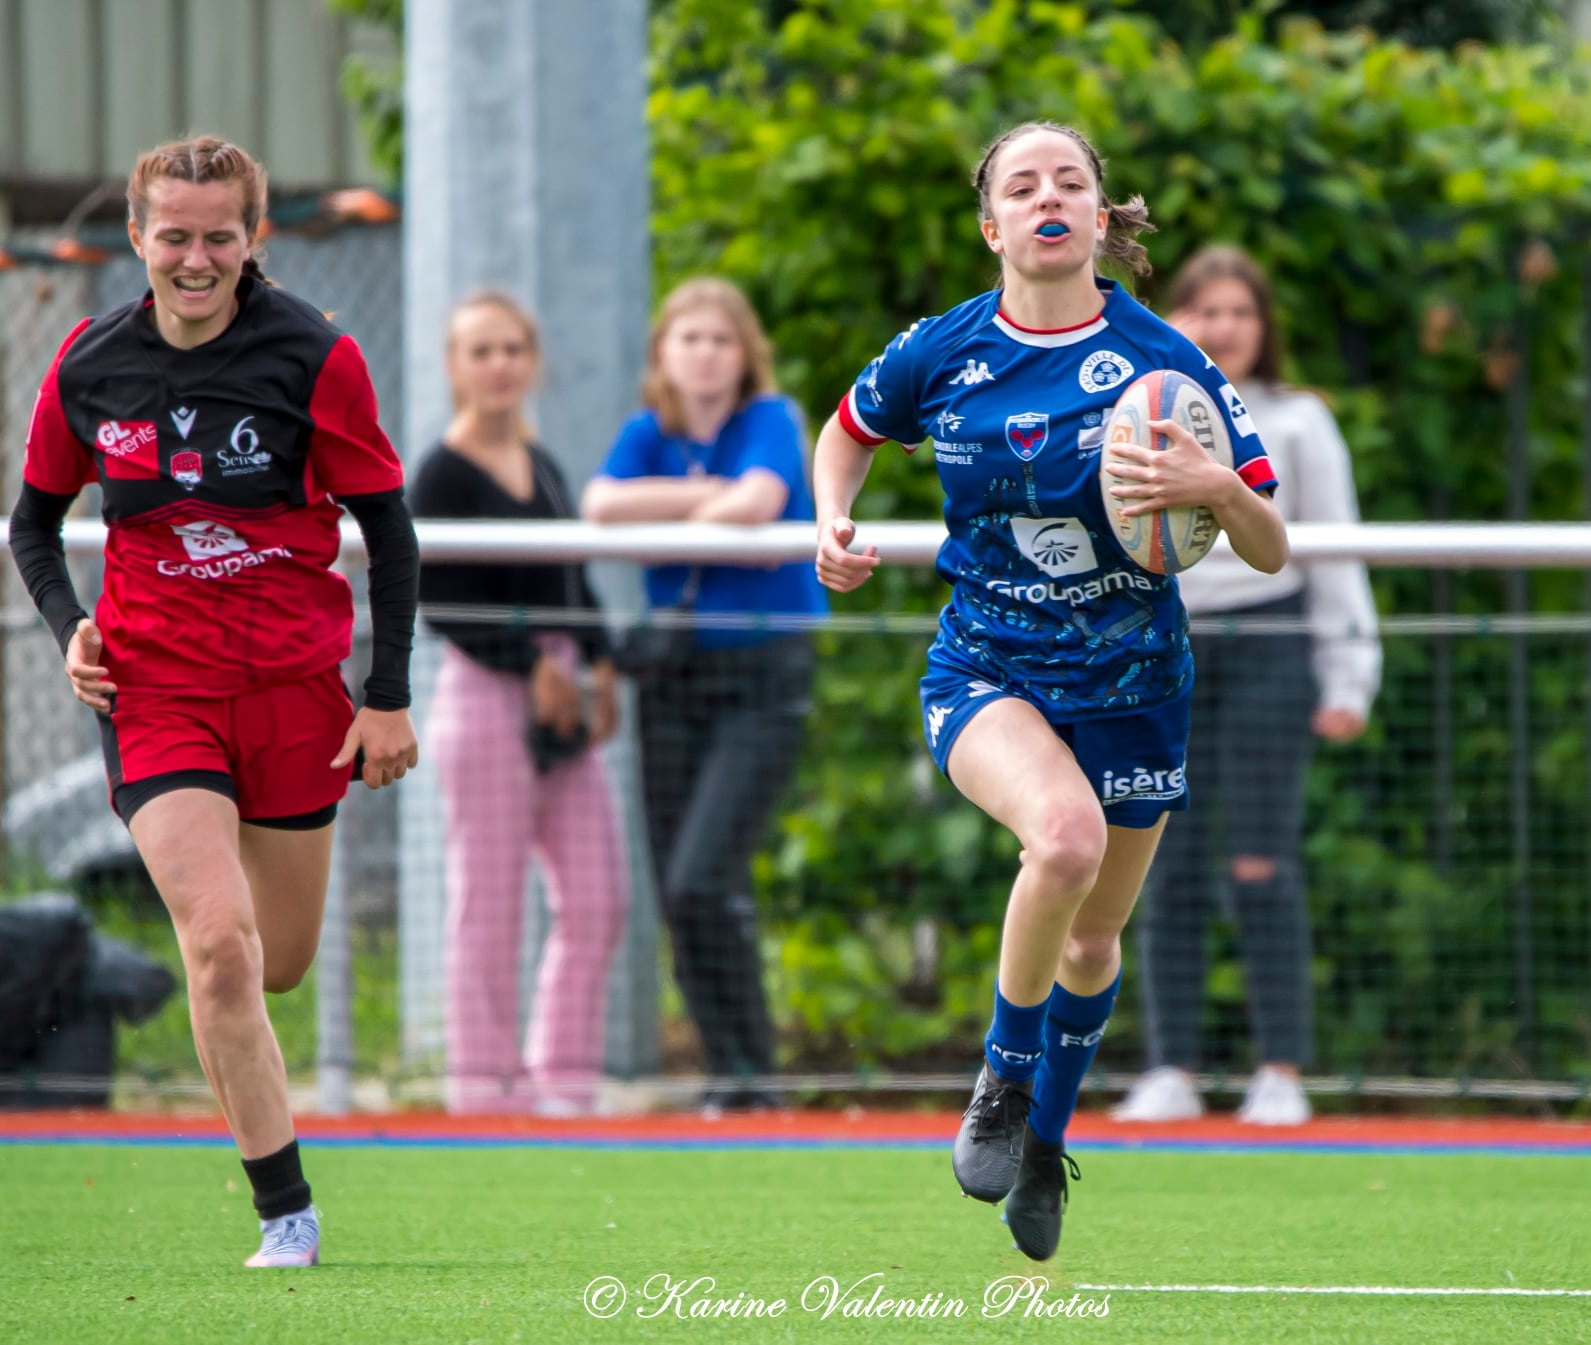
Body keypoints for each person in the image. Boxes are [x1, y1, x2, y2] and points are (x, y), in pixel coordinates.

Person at [813, 122, 1286, 1260]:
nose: (1047, 198)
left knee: (1094, 939)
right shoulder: (941, 349)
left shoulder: (1165, 362)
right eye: (1022, 186)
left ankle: (1042, 1142)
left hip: (1133, 683)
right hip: (989, 665)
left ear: (1097, 215)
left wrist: (1214, 484)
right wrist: (829, 518)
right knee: (1063, 840)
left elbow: (1269, 547)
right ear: (992, 227)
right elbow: (845, 431)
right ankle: (1002, 1079)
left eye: (1069, 181)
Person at [6, 136, 418, 1269]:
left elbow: (388, 530)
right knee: (221, 949)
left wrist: (385, 697)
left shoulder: (315, 357)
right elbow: (32, 524)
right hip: (156, 693)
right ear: (137, 237)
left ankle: (258, 1100)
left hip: (294, 695)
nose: (196, 258)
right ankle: (285, 1211)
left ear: (253, 239)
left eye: (219, 237)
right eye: (175, 236)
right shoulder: (89, 364)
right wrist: (69, 625)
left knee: (276, 961)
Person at [1112, 245, 1381, 1127]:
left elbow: (1333, 549)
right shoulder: (1134, 415)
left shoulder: (1299, 421)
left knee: (1261, 861)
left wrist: (1350, 675)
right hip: (1166, 648)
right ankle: (1171, 1067)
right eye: (1205, 311)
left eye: (1239, 312)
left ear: (1263, 327)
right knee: (1165, 859)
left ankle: (1279, 1068)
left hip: (1269, 646)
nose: (1223, 328)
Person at [580, 278, 828, 1113]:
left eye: (720, 339)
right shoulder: (647, 431)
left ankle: (754, 1073)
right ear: (664, 352)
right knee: (677, 888)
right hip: (675, 675)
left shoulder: (772, 418)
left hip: (763, 672)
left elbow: (760, 503)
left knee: (703, 874)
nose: (705, 355)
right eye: (689, 339)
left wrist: (678, 517)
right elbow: (601, 504)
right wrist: (707, 504)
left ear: (744, 352)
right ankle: (731, 1076)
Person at [411, 290, 629, 1117]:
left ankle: (563, 1080)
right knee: (489, 901)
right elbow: (439, 599)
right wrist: (526, 658)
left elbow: (571, 576)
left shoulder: (543, 463)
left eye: (512, 349)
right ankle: (484, 1088)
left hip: (564, 691)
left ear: (531, 361)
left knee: (599, 896)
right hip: (485, 695)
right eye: (481, 350)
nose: (499, 365)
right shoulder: (440, 472)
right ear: (453, 366)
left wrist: (600, 663)